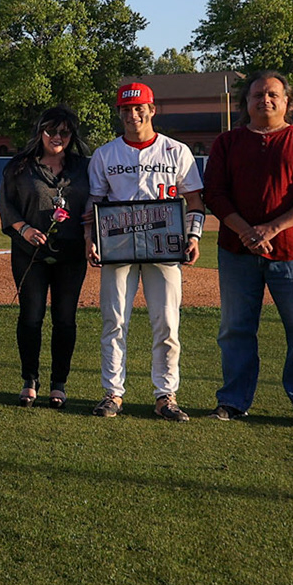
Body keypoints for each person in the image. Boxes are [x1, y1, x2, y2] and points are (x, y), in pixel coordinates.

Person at [205, 71, 293, 429]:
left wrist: (271, 228)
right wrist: (247, 232)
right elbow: (214, 193)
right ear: (245, 103)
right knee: (235, 329)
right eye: (257, 94)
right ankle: (233, 402)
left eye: (273, 94)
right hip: (236, 250)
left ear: (287, 102)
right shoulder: (227, 143)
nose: (265, 100)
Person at [84, 82, 204, 422]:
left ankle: (165, 395)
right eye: (126, 109)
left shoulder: (176, 151)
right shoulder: (106, 154)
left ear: (152, 110)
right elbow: (94, 203)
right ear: (119, 112)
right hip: (118, 246)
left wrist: (193, 237)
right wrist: (89, 238)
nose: (133, 114)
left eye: (139, 108)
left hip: (164, 248)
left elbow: (194, 201)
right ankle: (113, 394)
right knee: (114, 321)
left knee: (167, 323)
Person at [0, 106, 92, 409]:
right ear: (40, 131)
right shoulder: (19, 167)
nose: (57, 137)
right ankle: (30, 380)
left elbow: (95, 204)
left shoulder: (83, 167)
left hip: (71, 254)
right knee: (31, 316)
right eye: (51, 130)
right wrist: (24, 229)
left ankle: (58, 384)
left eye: (64, 132)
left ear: (72, 135)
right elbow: (7, 205)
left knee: (65, 319)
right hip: (30, 253)